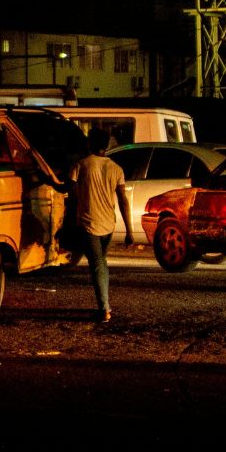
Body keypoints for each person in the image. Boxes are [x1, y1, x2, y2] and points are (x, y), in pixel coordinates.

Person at [69, 129, 130, 322]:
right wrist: (129, 230)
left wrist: (48, 180)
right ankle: (104, 304)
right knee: (101, 262)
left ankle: (104, 308)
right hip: (108, 224)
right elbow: (123, 200)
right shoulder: (116, 168)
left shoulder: (81, 165)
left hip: (89, 224)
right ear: (107, 146)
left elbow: (68, 189)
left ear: (90, 143)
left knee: (97, 265)